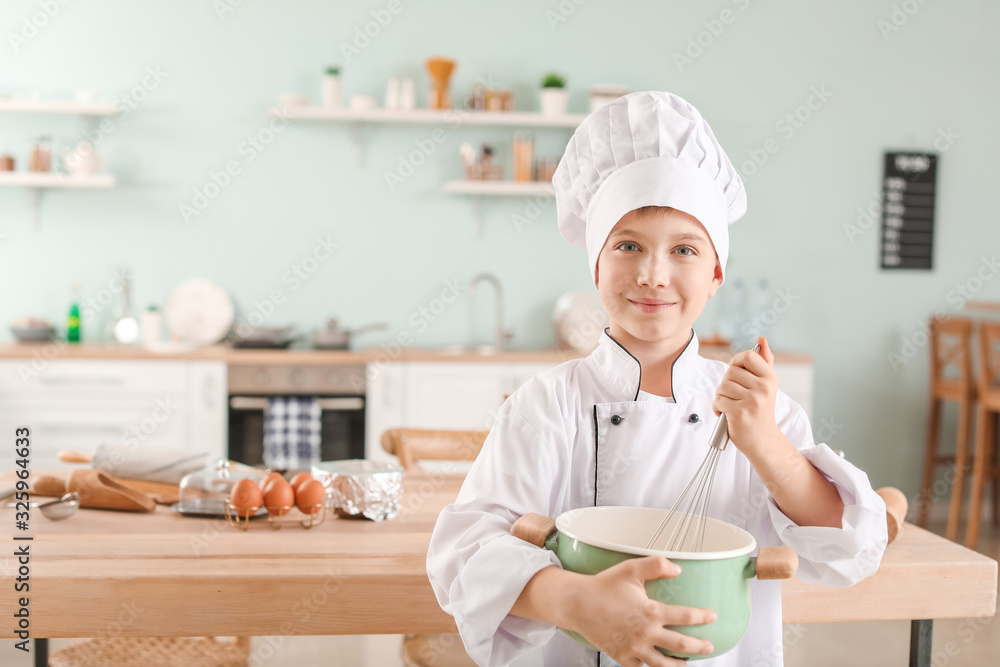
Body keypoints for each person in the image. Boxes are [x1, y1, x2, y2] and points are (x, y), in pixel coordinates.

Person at [427, 91, 887, 667]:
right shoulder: (544, 406)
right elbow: (466, 551)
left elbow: (852, 549)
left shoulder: (762, 411)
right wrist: (574, 601)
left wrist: (768, 446)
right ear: (596, 265)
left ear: (717, 272)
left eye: (685, 250)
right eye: (628, 246)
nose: (653, 274)